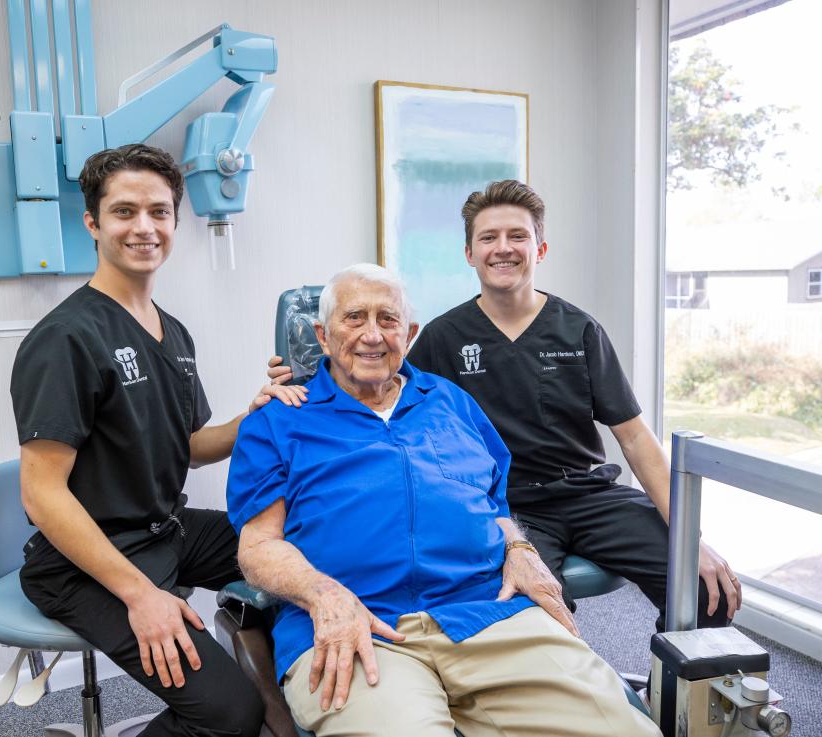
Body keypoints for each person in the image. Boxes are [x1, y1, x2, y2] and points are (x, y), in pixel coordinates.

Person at [229, 264, 661, 737]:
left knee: (624, 729)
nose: (372, 335)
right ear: (324, 336)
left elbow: (492, 505)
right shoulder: (279, 420)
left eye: (388, 320)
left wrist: (520, 549)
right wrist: (324, 595)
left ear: (409, 333)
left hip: (484, 611)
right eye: (354, 318)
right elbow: (258, 547)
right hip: (359, 624)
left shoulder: (452, 403)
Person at [10, 143, 305, 737]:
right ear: (92, 223)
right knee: (230, 716)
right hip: (89, 561)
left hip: (166, 528)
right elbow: (42, 495)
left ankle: (280, 666)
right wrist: (141, 595)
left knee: (308, 547)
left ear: (174, 221)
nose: (144, 227)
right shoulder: (67, 338)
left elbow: (191, 444)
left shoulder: (172, 330)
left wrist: (257, 412)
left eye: (159, 212)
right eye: (124, 212)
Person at [406, 180, 741, 631]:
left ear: (540, 249)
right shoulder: (442, 339)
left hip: (588, 496)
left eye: (517, 236)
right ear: (469, 253)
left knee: (702, 588)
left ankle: (672, 700)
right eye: (489, 237)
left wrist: (690, 540)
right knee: (533, 609)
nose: (503, 248)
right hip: (505, 508)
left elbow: (636, 438)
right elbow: (378, 396)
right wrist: (295, 384)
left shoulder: (578, 330)